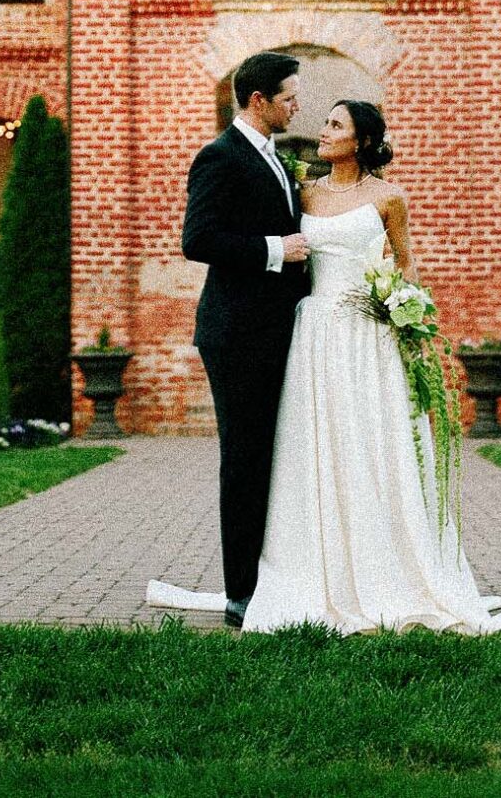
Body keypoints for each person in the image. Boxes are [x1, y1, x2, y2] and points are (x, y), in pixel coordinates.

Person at [239, 98, 501, 634]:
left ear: (362, 141)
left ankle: (393, 569)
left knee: (374, 442)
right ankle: (316, 570)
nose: (322, 130)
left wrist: (408, 316)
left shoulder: (390, 197)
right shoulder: (304, 193)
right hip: (318, 332)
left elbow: (405, 262)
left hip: (370, 336)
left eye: (334, 124)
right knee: (319, 443)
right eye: (325, 122)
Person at [178, 51, 312, 629]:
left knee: (273, 456)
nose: (296, 105)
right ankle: (241, 593)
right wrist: (274, 250)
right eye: (288, 97)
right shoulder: (219, 157)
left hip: (277, 328)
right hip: (237, 334)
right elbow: (198, 239)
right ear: (257, 101)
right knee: (245, 458)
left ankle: (276, 578)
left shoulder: (276, 159)